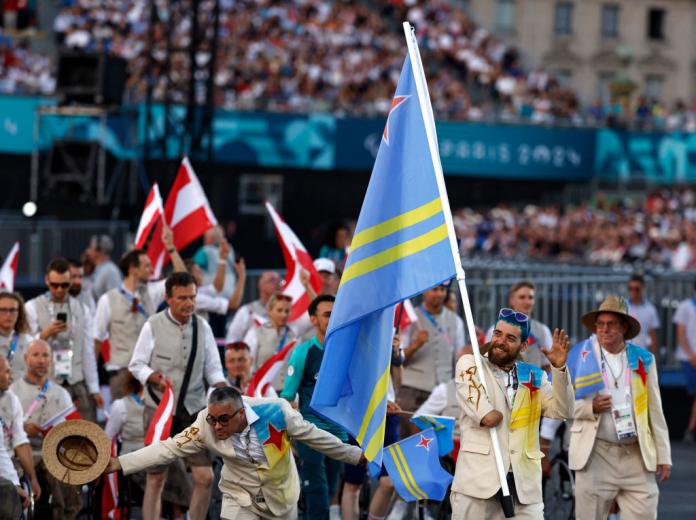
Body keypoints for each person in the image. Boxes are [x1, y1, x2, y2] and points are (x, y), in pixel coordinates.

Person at [104, 386, 364, 520]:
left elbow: (316, 438)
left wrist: (357, 455)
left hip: (282, 495)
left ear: (242, 413)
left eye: (224, 419)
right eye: (213, 419)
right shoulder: (204, 423)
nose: (216, 426)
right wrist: (118, 463)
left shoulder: (276, 411)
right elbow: (167, 448)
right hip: (238, 496)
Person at [450, 308, 574, 519]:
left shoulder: (535, 375)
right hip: (477, 486)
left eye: (510, 338)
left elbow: (563, 410)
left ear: (524, 345)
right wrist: (493, 414)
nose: (500, 341)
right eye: (497, 334)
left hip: (524, 489)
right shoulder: (471, 364)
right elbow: (487, 416)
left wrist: (559, 369)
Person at [128, 271, 227, 520]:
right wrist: (152, 377)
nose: (190, 303)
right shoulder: (152, 324)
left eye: (192, 297)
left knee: (205, 478)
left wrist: (221, 384)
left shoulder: (202, 326)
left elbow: (213, 367)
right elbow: (136, 364)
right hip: (158, 410)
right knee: (156, 476)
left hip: (193, 410)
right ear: (168, 299)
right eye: (183, 298)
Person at [569, 295, 671, 520]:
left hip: (636, 454)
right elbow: (559, 406)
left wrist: (664, 455)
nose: (604, 329)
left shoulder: (644, 359)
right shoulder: (581, 355)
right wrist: (590, 407)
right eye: (600, 324)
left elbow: (655, 410)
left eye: (611, 324)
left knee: (645, 514)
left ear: (624, 327)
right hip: (596, 454)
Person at [95, 229, 185, 400]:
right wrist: (93, 385)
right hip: (121, 373)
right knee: (122, 424)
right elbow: (97, 340)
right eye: (146, 265)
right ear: (133, 269)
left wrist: (171, 248)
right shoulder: (107, 300)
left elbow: (181, 279)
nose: (152, 270)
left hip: (149, 373)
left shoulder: (152, 292)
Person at [280, 295, 348, 519]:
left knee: (329, 490)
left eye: (335, 313)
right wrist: (288, 433)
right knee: (316, 490)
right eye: (327, 314)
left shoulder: (349, 352)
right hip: (311, 432)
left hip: (339, 434)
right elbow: (287, 397)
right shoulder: (303, 353)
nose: (332, 318)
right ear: (313, 319)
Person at [25, 258, 102, 421]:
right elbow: (24, 347)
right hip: (46, 383)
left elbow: (87, 351)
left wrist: (94, 388)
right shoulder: (31, 307)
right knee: (50, 437)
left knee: (85, 435)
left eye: (65, 285)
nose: (60, 289)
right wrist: (43, 335)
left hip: (77, 382)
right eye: (55, 285)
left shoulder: (83, 309)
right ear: (47, 281)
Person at [11, 340, 79, 519]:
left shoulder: (61, 393)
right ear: (26, 359)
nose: (41, 360)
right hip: (22, 453)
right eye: (36, 355)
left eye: (45, 355)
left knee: (63, 467)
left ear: (51, 360)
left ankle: (65, 515)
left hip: (54, 453)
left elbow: (73, 431)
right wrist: (23, 429)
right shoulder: (13, 392)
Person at [398, 284, 465, 435]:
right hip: (412, 392)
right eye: (434, 290)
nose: (439, 294)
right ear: (424, 292)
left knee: (440, 444)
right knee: (408, 440)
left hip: (442, 392)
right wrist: (416, 344)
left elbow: (460, 359)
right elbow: (398, 357)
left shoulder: (456, 321)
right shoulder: (411, 319)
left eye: (442, 290)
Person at [0, 356, 41, 501]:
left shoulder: (11, 399)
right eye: (6, 372)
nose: (11, 377)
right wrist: (14, 485)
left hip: (9, 460)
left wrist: (33, 478)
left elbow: (20, 442)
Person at [485, 281, 552, 370]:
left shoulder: (543, 330)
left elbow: (547, 364)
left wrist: (538, 381)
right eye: (522, 297)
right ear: (512, 301)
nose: (527, 301)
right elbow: (487, 361)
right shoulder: (495, 330)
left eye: (530, 297)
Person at [244, 294, 296, 391]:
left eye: (287, 311)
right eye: (279, 310)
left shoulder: (293, 334)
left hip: (287, 392)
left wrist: (306, 285)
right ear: (269, 311)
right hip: (263, 392)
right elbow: (248, 364)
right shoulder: (255, 333)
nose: (284, 314)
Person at [226, 271, 282, 343]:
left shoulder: (290, 312)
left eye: (279, 280)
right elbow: (231, 341)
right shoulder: (246, 311)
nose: (278, 284)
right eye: (272, 280)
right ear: (260, 285)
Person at [185, 257, 246, 321]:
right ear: (190, 276)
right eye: (198, 272)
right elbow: (232, 305)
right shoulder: (196, 298)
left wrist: (223, 259)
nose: (202, 274)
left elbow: (216, 288)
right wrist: (242, 276)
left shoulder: (196, 292)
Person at [674, 283, 696, 443]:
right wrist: (691, 356)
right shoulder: (685, 307)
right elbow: (681, 335)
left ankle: (690, 429)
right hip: (688, 357)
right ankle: (690, 429)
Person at [192, 226, 238, 300]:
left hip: (212, 296)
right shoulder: (229, 249)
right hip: (230, 294)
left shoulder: (204, 251)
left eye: (205, 237)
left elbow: (189, 267)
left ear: (209, 238)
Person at [0, 291, 33, 381]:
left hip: (21, 392)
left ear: (19, 313)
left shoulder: (29, 342)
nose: (8, 314)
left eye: (12, 310)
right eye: (3, 310)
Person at [626, 274, 660, 354]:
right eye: (630, 288)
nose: (633, 291)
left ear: (643, 288)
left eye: (636, 289)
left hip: (642, 354)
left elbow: (653, 336)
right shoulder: (621, 307)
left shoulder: (650, 309)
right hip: (623, 354)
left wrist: (653, 358)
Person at [85, 234, 122, 301]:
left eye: (91, 248)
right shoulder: (98, 269)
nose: (88, 251)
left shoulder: (110, 271)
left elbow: (115, 299)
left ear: (99, 251)